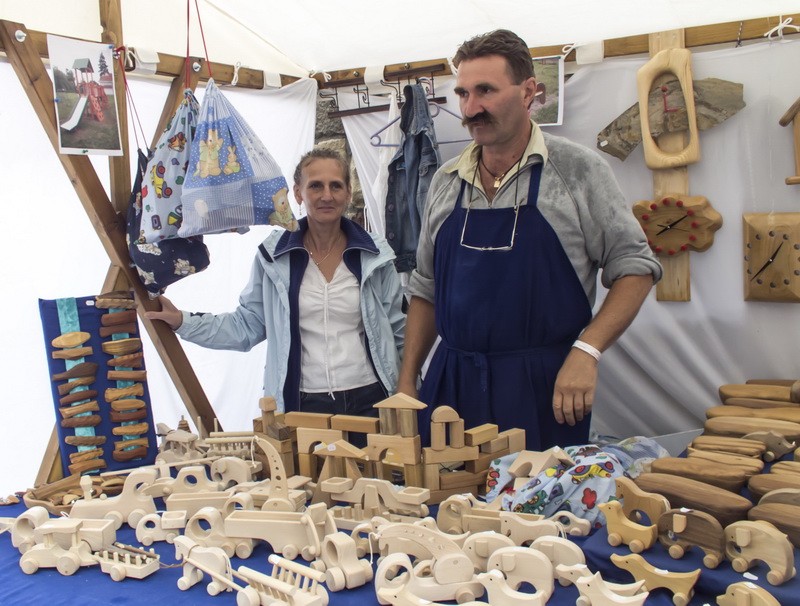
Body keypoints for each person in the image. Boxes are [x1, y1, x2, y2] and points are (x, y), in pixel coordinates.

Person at [397, 30, 662, 450]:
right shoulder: (446, 181)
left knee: (537, 492)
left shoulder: (577, 171)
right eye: (463, 93)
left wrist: (587, 351)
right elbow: (426, 288)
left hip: (543, 387)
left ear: (528, 92)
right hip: (452, 383)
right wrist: (408, 380)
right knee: (443, 491)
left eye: (486, 90)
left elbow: (636, 268)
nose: (471, 108)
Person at [147, 149, 406, 423]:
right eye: (315, 186)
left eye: (336, 186)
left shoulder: (375, 255)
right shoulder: (273, 257)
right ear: (298, 193)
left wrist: (407, 388)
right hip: (303, 403)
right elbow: (246, 326)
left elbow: (399, 331)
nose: (327, 195)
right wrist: (183, 321)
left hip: (372, 399)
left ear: (348, 193)